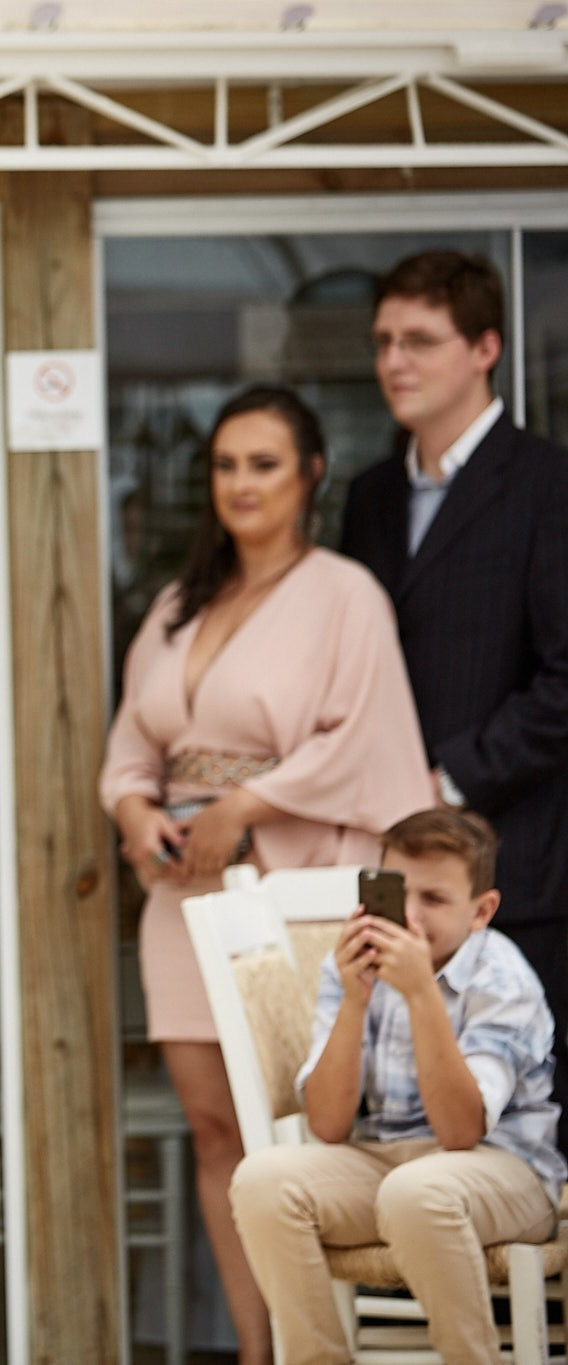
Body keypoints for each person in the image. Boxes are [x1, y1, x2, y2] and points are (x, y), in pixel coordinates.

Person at [100, 385, 436, 1364]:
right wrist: (131, 809)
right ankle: (256, 1350)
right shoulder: (174, 604)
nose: (238, 484)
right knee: (213, 1131)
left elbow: (364, 742)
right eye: (223, 465)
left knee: (288, 1139)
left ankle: (315, 1347)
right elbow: (131, 744)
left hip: (282, 894)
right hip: (177, 903)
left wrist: (244, 810)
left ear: (310, 476)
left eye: (262, 464)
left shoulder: (344, 595)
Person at [339, 250, 568, 1153]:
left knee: (528, 1136)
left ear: (485, 348)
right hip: (395, 873)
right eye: (384, 340)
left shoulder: (551, 484)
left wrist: (447, 777)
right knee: (405, 1123)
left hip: (529, 867)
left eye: (420, 340)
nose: (395, 360)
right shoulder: (368, 497)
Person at [231, 809, 564, 1365]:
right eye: (395, 891)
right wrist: (355, 1000)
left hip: (506, 1171)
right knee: (263, 1180)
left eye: (433, 900)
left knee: (418, 1191)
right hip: (388, 1165)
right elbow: (329, 1126)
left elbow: (460, 1133)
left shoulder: (503, 979)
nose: (408, 915)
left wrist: (421, 997)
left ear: (481, 910)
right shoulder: (353, 968)